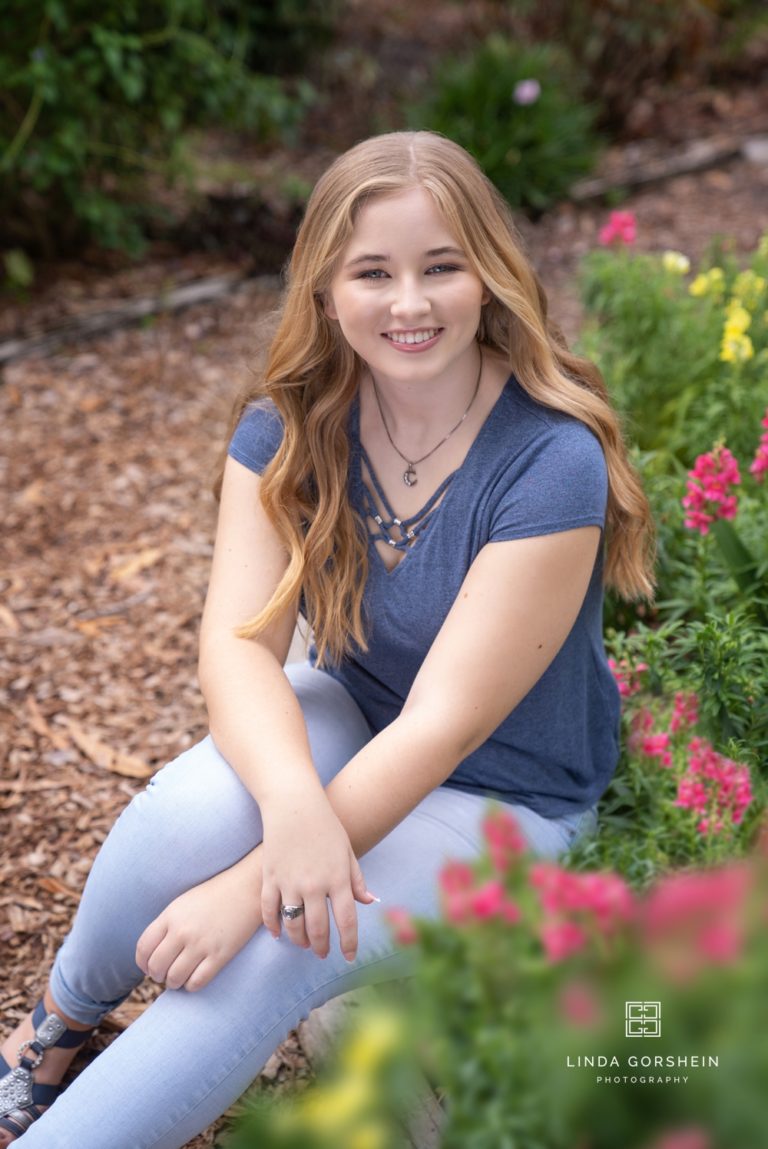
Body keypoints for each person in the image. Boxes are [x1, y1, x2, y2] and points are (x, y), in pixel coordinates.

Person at [0, 131, 654, 1148]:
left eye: (442, 267)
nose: (410, 303)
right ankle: (58, 1025)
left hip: (505, 795)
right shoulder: (295, 423)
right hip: (355, 711)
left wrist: (250, 886)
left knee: (282, 939)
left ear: (490, 276)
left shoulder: (549, 461)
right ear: (325, 290)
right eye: (373, 273)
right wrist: (292, 809)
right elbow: (237, 647)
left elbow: (441, 727)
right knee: (190, 814)